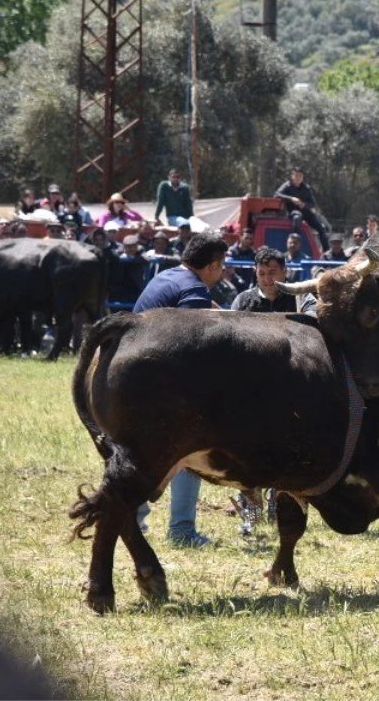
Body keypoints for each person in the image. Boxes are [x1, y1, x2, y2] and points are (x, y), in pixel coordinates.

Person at [132, 232, 229, 548]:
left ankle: (133, 518)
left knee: (142, 453)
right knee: (189, 448)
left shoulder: (170, 277)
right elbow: (195, 346)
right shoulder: (193, 289)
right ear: (213, 264)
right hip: (162, 383)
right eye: (222, 265)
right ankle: (182, 530)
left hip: (135, 375)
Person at [231, 247, 300, 313]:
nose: (267, 279)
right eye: (261, 274)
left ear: (284, 271)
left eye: (272, 273)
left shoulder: (300, 299)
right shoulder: (242, 301)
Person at [274, 167, 329, 243]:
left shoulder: (306, 188)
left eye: (300, 176)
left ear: (303, 177)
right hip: (294, 212)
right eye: (296, 175)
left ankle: (326, 252)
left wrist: (304, 204)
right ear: (292, 176)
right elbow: (277, 194)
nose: (298, 178)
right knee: (297, 218)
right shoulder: (287, 186)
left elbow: (312, 204)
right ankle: (294, 243)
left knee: (322, 228)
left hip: (306, 213)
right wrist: (291, 198)